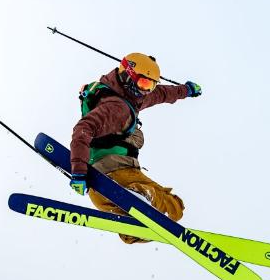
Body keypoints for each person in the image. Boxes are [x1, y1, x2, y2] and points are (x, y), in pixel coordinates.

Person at [68, 52, 201, 243]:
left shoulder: (129, 97)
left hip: (98, 188)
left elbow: (163, 94)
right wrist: (78, 171)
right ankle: (141, 197)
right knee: (172, 207)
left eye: (150, 85)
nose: (146, 91)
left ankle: (133, 218)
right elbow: (83, 129)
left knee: (144, 229)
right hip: (119, 173)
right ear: (127, 75)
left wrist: (186, 90)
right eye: (143, 84)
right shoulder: (117, 108)